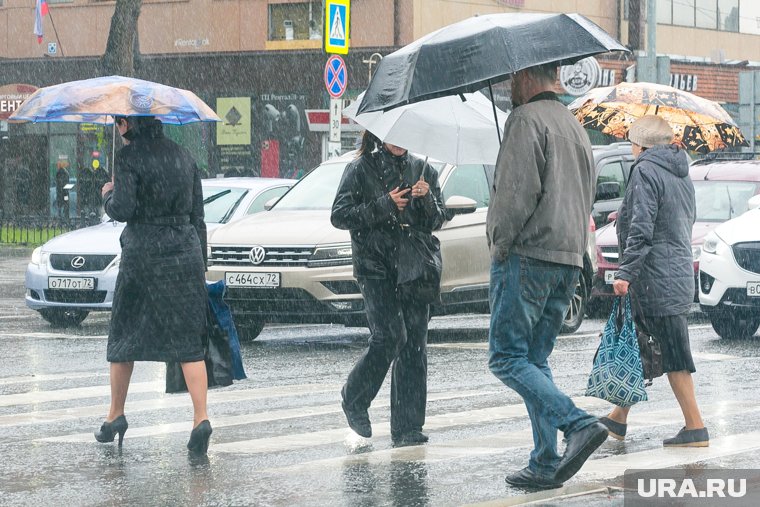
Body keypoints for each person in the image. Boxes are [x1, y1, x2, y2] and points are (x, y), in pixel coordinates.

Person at [486, 63, 608, 490]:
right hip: (568, 259)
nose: (508, 86)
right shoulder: (574, 125)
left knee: (506, 357)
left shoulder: (526, 120)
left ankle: (577, 423)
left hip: (529, 255)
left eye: (511, 78)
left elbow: (514, 196)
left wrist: (499, 243)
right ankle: (544, 461)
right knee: (535, 360)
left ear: (525, 77)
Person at [96, 115, 212, 454]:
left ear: (132, 124)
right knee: (188, 337)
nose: (118, 127)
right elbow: (198, 216)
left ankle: (116, 414)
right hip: (184, 252)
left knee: (124, 334)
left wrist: (108, 194)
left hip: (145, 253)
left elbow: (124, 208)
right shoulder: (185, 155)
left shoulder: (129, 157)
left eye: (120, 121)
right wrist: (199, 264)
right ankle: (200, 418)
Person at [331, 131, 447, 447]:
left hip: (414, 267)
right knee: (390, 336)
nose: (399, 141)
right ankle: (354, 397)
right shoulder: (360, 168)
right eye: (393, 136)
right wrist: (385, 204)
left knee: (415, 345)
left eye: (405, 135)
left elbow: (437, 220)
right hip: (375, 266)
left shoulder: (423, 169)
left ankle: (408, 426)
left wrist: (427, 198)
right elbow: (339, 215)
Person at [603, 115, 708, 447]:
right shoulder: (680, 172)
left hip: (655, 278)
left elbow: (643, 230)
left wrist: (625, 273)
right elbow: (672, 219)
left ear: (640, 144)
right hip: (675, 272)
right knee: (644, 345)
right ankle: (618, 419)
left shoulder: (645, 170)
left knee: (670, 351)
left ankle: (696, 427)